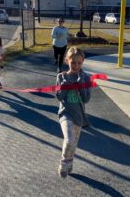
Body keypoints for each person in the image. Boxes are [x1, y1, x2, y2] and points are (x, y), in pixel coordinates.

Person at [56, 47, 91, 178]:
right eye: (73, 63)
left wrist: (81, 84)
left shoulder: (85, 78)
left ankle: (70, 162)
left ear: (82, 62)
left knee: (74, 144)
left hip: (79, 116)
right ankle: (64, 163)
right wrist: (64, 86)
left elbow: (86, 99)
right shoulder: (61, 76)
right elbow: (59, 97)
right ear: (67, 61)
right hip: (65, 114)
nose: (76, 66)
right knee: (69, 140)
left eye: (79, 63)